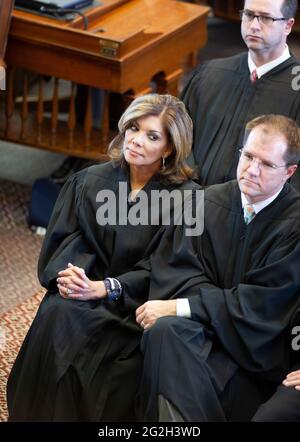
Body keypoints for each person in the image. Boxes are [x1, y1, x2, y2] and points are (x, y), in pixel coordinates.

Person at [7, 93, 198, 422]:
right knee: (58, 312)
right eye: (133, 128)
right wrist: (75, 278)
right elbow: (65, 240)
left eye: (152, 136)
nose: (136, 140)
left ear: (169, 148)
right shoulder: (89, 181)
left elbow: (169, 268)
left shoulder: (187, 200)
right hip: (84, 287)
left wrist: (108, 288)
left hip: (136, 305)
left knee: (95, 341)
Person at [135, 114, 300, 421]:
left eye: (266, 164)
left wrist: (189, 306)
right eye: (248, 156)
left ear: (289, 172)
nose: (251, 170)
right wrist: (212, 310)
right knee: (164, 332)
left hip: (252, 355)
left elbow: (264, 305)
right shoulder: (206, 202)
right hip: (202, 334)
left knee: (172, 338)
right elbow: (176, 271)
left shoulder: (295, 227)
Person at [182, 0, 300, 190]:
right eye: (249, 15)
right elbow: (179, 138)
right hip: (192, 206)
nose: (253, 25)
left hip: (261, 215)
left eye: (266, 18)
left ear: (288, 25)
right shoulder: (210, 73)